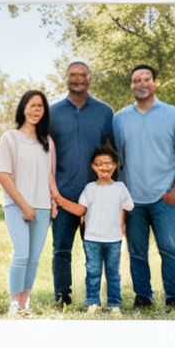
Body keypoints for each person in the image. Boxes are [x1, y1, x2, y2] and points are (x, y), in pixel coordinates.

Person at [114, 63, 175, 310]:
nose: (141, 83)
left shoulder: (174, 115)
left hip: (163, 197)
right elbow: (115, 157)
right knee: (137, 251)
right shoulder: (120, 118)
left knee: (169, 249)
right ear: (131, 86)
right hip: (132, 199)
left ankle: (174, 298)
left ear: (155, 83)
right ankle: (143, 297)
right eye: (136, 80)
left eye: (146, 79)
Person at [45, 60, 114, 307]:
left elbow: (111, 152)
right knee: (61, 249)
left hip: (95, 196)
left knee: (94, 251)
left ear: (89, 78)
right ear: (66, 78)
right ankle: (62, 296)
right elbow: (44, 152)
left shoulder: (105, 112)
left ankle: (93, 298)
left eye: (82, 75)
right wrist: (50, 189)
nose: (78, 79)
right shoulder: (52, 112)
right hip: (62, 195)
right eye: (73, 75)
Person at [0, 90, 57, 317]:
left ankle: (24, 305)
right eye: (32, 105)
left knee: (33, 259)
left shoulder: (47, 142)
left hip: (42, 207)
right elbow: (3, 175)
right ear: (23, 108)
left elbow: (50, 176)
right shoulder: (9, 138)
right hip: (16, 206)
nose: (36, 110)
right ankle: (13, 305)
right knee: (21, 254)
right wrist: (24, 206)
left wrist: (55, 201)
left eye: (41, 106)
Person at [55, 142, 133, 311]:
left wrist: (121, 230)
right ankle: (92, 302)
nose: (104, 168)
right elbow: (80, 210)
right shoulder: (89, 189)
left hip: (114, 240)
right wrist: (59, 199)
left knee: (113, 274)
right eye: (99, 164)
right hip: (92, 240)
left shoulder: (120, 188)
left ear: (115, 166)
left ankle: (114, 304)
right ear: (93, 167)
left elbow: (126, 209)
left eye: (108, 163)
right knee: (93, 273)